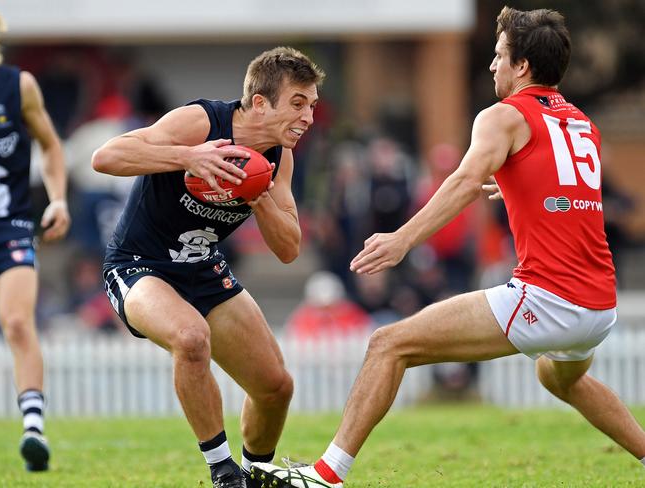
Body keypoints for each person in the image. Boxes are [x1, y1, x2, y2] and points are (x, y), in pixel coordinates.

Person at [251, 8, 645, 487]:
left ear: (522, 67)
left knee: (388, 344)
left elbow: (463, 181)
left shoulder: (502, 116)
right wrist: (522, 191)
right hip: (600, 305)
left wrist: (403, 239)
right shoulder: (580, 122)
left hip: (549, 299)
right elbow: (572, 193)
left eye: (499, 56)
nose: (492, 66)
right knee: (559, 377)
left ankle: (325, 476)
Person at [92, 46, 324, 488]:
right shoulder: (201, 122)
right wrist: (188, 157)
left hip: (203, 267)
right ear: (260, 102)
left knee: (276, 387)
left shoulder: (279, 158)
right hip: (140, 265)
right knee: (190, 337)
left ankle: (255, 476)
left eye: (312, 106)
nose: (309, 117)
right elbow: (105, 157)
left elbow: (290, 248)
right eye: (298, 103)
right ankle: (223, 471)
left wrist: (261, 199)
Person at [0, 12, 71, 472]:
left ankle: (33, 429)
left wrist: (58, 199)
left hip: (11, 226)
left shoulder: (17, 85)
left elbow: (51, 145)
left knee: (18, 322)